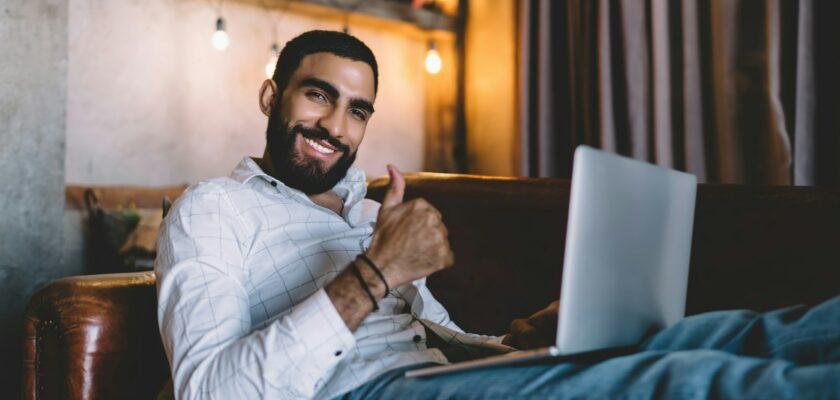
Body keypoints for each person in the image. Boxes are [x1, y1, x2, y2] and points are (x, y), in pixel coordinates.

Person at [155, 30, 840, 400]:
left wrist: (513, 344)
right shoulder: (212, 209)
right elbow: (212, 392)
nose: (335, 125)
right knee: (690, 382)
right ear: (272, 97)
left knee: (748, 336)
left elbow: (431, 337)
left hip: (433, 375)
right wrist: (376, 271)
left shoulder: (368, 212)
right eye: (317, 96)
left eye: (356, 110)